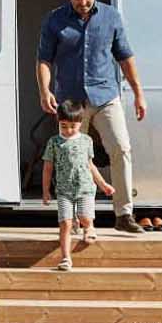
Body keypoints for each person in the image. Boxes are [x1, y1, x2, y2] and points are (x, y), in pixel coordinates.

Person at [36, 0, 148, 232]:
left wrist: (139, 93)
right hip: (71, 101)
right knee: (72, 159)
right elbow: (43, 59)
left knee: (121, 148)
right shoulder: (55, 19)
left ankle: (123, 214)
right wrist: (44, 91)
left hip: (106, 95)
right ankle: (75, 218)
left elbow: (125, 57)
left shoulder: (111, 17)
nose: (82, 2)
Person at [41, 97, 112, 271]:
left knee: (84, 216)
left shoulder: (86, 141)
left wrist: (103, 184)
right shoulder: (54, 143)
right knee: (64, 222)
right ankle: (66, 258)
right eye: (63, 126)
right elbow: (48, 168)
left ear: (80, 123)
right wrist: (45, 190)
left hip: (85, 188)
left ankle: (89, 227)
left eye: (72, 126)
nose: (68, 130)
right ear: (58, 122)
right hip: (64, 190)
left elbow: (90, 165)